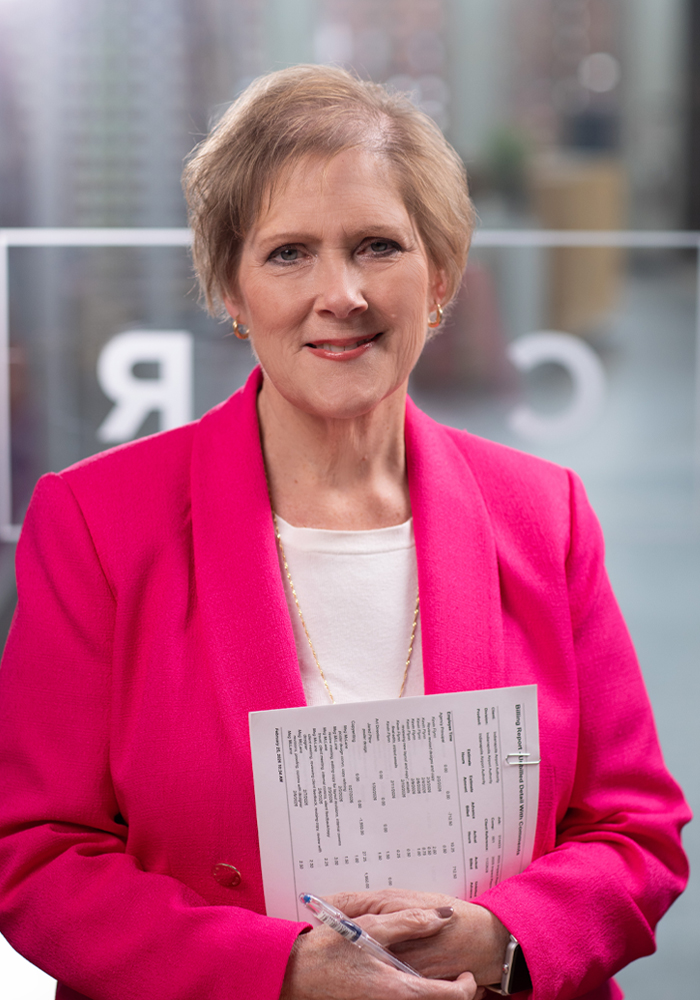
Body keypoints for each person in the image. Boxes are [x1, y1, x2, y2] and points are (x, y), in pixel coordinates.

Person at [0, 65, 690, 1000]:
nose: (342, 293)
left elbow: (635, 831)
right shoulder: (97, 524)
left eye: (377, 246)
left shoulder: (546, 513)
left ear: (439, 276)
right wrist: (281, 971)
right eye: (289, 253)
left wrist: (502, 939)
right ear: (232, 290)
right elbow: (38, 854)